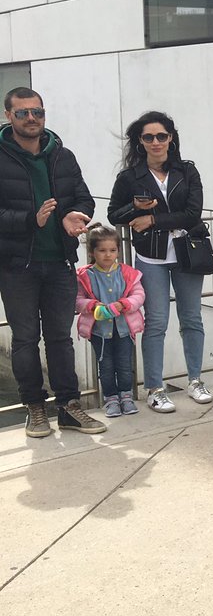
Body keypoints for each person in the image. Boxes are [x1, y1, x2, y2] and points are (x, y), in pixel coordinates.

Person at [0, 86, 107, 436]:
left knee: (60, 339)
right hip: (17, 265)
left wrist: (75, 214)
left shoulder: (63, 155)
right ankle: (35, 408)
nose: (32, 119)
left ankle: (69, 407)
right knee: (26, 340)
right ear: (8, 116)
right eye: (23, 113)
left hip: (60, 261)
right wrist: (33, 219)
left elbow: (83, 196)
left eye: (38, 112)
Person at [108, 111, 212, 413]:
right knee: (156, 322)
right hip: (150, 256)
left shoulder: (187, 171)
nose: (156, 142)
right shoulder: (130, 177)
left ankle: (195, 380)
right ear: (140, 142)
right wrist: (133, 208)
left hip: (187, 253)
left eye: (161, 136)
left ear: (171, 138)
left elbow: (194, 213)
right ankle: (155, 387)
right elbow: (115, 214)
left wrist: (152, 218)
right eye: (148, 137)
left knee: (191, 318)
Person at [76, 225, 145, 418]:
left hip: (123, 329)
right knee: (105, 366)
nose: (108, 255)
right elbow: (77, 300)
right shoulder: (84, 275)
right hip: (99, 331)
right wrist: (92, 306)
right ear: (92, 252)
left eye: (112, 250)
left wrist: (124, 304)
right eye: (102, 250)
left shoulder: (128, 273)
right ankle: (111, 398)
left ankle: (126, 396)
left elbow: (139, 295)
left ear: (118, 251)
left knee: (124, 364)